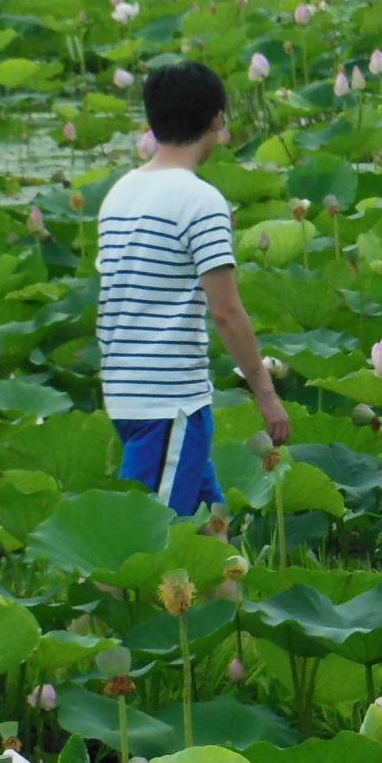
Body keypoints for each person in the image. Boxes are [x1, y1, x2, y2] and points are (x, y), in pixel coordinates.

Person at [96, 60, 289, 515]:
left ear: (152, 120)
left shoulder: (118, 194)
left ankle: (233, 588)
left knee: (210, 528)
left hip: (126, 392)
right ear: (217, 121)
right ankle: (102, 591)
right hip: (169, 404)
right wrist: (266, 394)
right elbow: (225, 312)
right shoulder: (200, 201)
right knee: (143, 542)